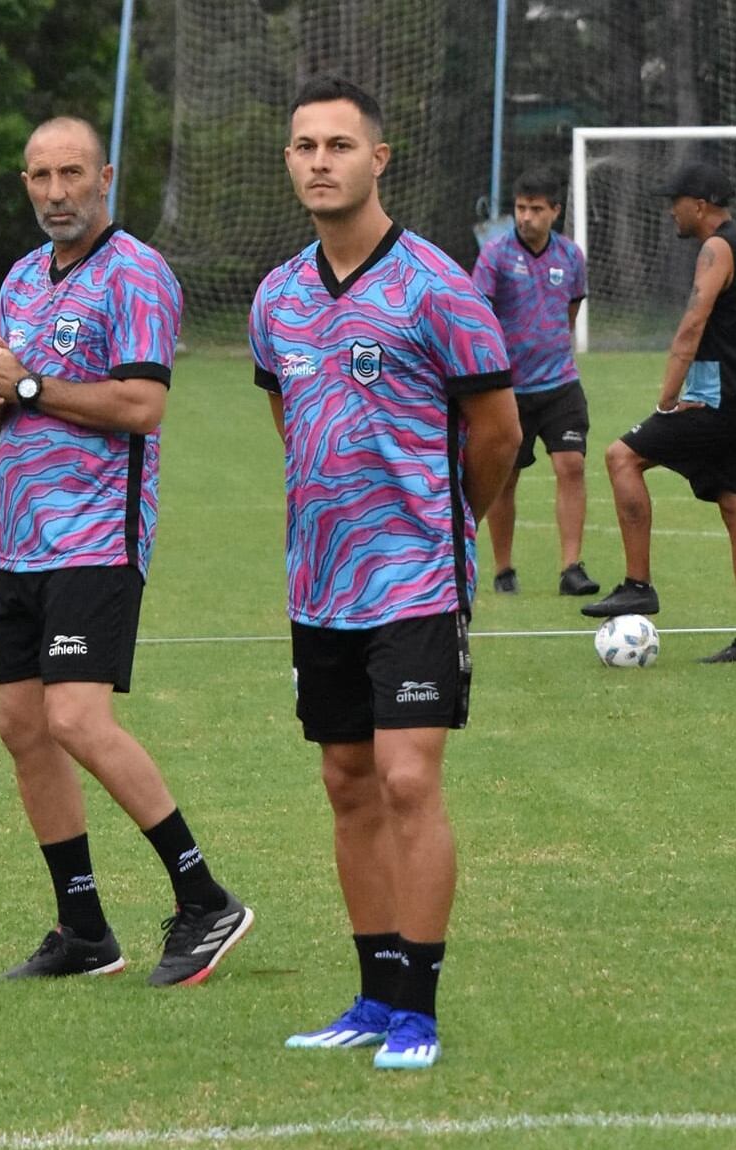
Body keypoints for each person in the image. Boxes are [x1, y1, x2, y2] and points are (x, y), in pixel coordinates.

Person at [249, 77, 520, 1070]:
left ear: (378, 160)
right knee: (346, 780)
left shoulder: (439, 286)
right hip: (318, 584)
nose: (318, 161)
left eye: (337, 145)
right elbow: (290, 424)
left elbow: (497, 434)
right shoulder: (275, 296)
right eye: (303, 145)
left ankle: (417, 1006)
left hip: (413, 578)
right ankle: (369, 995)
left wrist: (444, 522)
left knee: (409, 778)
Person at [0, 116, 252, 982]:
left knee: (76, 718)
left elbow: (140, 406)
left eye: (72, 174)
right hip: (22, 542)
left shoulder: (136, 274)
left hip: (96, 537)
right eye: (41, 175)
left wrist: (24, 382)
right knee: (22, 726)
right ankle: (84, 929)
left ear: (105, 177)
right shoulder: (19, 278)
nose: (56, 191)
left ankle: (205, 898)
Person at [581, 160, 736, 664]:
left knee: (622, 457)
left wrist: (665, 398)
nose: (671, 211)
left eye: (675, 202)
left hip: (719, 404)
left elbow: (691, 322)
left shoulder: (717, 248)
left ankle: (638, 583)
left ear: (700, 205)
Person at [471, 168, 598, 597]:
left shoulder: (570, 257)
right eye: (521, 208)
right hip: (508, 389)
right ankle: (504, 568)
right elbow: (480, 315)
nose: (526, 217)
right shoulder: (495, 255)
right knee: (506, 478)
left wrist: (553, 349)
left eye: (536, 209)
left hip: (560, 382)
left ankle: (571, 568)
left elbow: (570, 311)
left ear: (555, 211)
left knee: (572, 465)